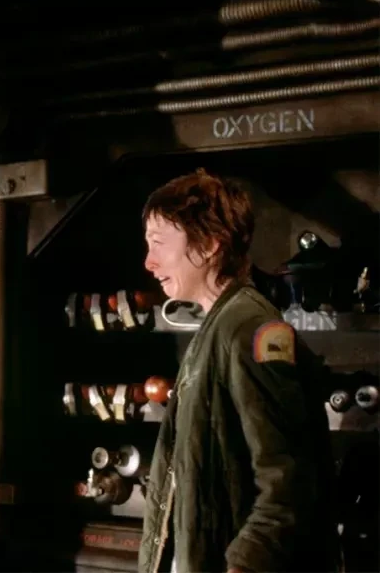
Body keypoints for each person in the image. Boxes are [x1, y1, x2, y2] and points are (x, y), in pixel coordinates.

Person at [137, 168, 340, 573]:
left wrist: (245, 564)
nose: (148, 262)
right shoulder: (218, 327)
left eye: (159, 243)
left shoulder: (248, 330)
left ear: (210, 244)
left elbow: (286, 485)